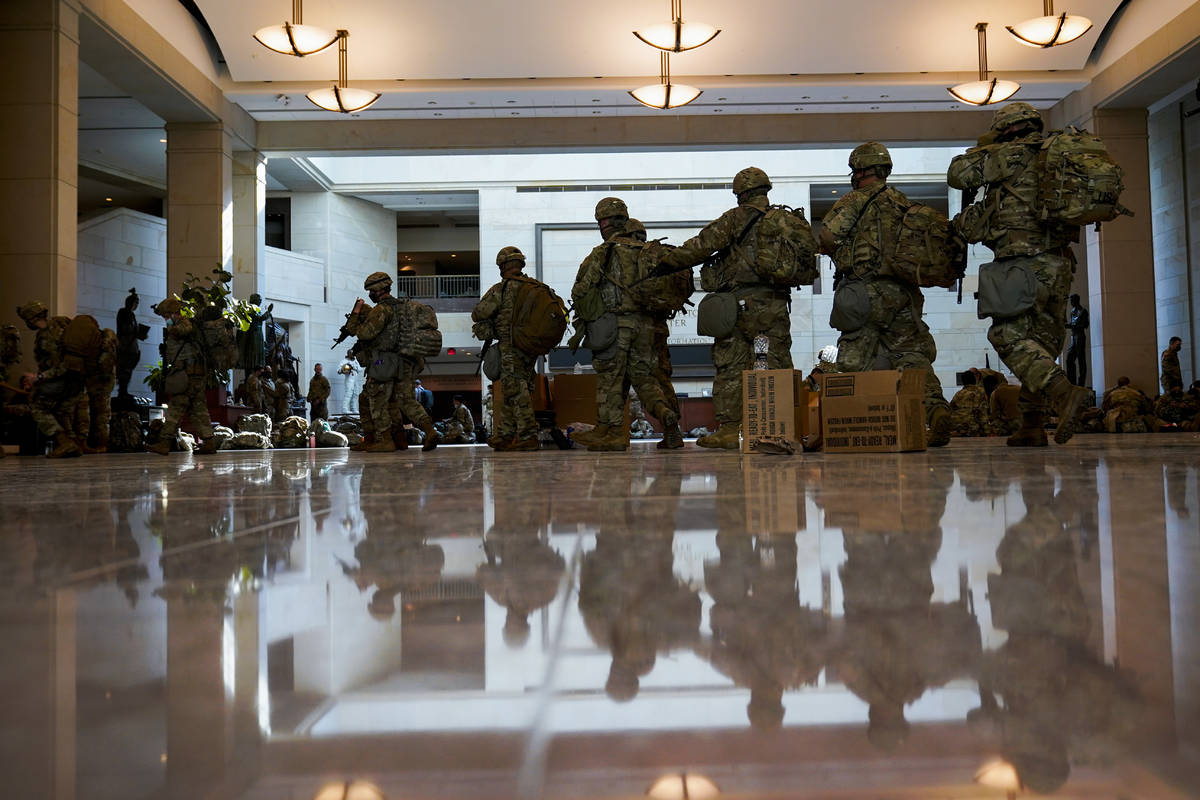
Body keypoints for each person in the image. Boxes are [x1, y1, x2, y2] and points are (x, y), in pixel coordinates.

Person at [948, 102, 1091, 446]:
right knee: (1040, 343)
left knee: (1006, 336)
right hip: (1059, 263)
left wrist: (986, 143)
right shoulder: (1059, 155)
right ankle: (1031, 424)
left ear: (1008, 128)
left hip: (1022, 263)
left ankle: (1062, 391)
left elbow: (958, 174)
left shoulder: (1007, 155)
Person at [654, 168, 815, 449]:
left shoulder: (735, 218)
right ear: (766, 189)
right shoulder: (788, 219)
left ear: (739, 193)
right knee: (774, 362)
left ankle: (729, 431)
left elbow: (700, 247)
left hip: (737, 306)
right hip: (774, 304)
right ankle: (783, 428)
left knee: (731, 365)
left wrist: (665, 263)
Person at [819, 142, 953, 446]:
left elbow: (827, 235)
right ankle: (936, 409)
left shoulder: (854, 200)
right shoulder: (904, 204)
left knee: (852, 360)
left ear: (860, 170)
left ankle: (847, 427)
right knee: (912, 357)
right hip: (904, 294)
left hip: (864, 293)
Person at [570, 198, 682, 452]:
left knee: (611, 381)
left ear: (605, 222)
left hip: (616, 328)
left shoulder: (604, 252)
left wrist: (594, 317)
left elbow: (581, 291)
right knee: (645, 380)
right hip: (649, 328)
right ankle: (667, 417)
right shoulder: (649, 251)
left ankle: (611, 434)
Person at [346, 271, 438, 452]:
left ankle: (384, 440)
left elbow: (365, 333)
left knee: (375, 398)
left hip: (384, 362)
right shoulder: (403, 307)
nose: (370, 295)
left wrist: (356, 313)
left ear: (378, 290)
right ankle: (427, 431)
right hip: (406, 360)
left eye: (371, 291)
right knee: (405, 401)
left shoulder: (382, 309)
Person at [472, 246, 545, 451]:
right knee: (511, 388)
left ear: (502, 266)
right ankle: (505, 434)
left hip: (511, 346)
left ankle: (528, 435)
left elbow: (479, 312)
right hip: (530, 348)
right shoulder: (535, 287)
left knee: (515, 389)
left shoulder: (502, 288)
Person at [626, 218, 684, 449]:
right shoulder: (656, 255)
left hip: (633, 329)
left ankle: (661, 412)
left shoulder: (623, 256)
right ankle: (673, 431)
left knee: (642, 379)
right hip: (659, 327)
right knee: (662, 379)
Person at [146, 297, 217, 455]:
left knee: (175, 408)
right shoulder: (180, 324)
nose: (165, 320)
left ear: (173, 313)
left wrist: (172, 326)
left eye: (166, 316)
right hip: (194, 375)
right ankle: (209, 441)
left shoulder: (184, 323)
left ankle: (164, 442)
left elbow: (184, 330)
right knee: (198, 410)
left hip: (188, 376)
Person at [16, 301, 85, 457]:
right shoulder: (58, 325)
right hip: (75, 380)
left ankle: (65, 442)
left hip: (66, 380)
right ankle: (72, 445)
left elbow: (62, 366)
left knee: (37, 405)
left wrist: (38, 377)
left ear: (31, 319)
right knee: (61, 411)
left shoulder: (49, 336)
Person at [77, 325, 118, 452]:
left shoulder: (101, 343)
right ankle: (101, 444)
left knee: (97, 414)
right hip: (104, 382)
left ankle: (98, 444)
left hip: (98, 382)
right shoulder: (108, 343)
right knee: (102, 415)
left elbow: (104, 365)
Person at [115, 288, 148, 400]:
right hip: (125, 347)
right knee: (123, 371)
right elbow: (124, 329)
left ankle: (124, 391)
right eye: (135, 302)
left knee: (128, 371)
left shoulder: (132, 315)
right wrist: (136, 332)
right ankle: (122, 392)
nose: (136, 305)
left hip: (132, 347)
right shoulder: (123, 312)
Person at [949, 371, 989, 437]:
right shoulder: (980, 392)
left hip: (956, 426)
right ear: (974, 380)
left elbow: (951, 409)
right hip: (972, 427)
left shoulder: (959, 393)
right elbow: (983, 412)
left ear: (963, 382)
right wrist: (987, 431)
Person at [1065, 294, 1089, 386]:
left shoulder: (1083, 311)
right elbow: (1072, 323)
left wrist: (1072, 326)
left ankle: (1081, 383)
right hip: (1073, 336)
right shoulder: (1072, 311)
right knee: (1069, 359)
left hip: (1080, 336)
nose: (1071, 303)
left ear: (1076, 301)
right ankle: (1072, 383)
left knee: (1081, 360)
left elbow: (1085, 325)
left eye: (1072, 301)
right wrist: (1069, 325)